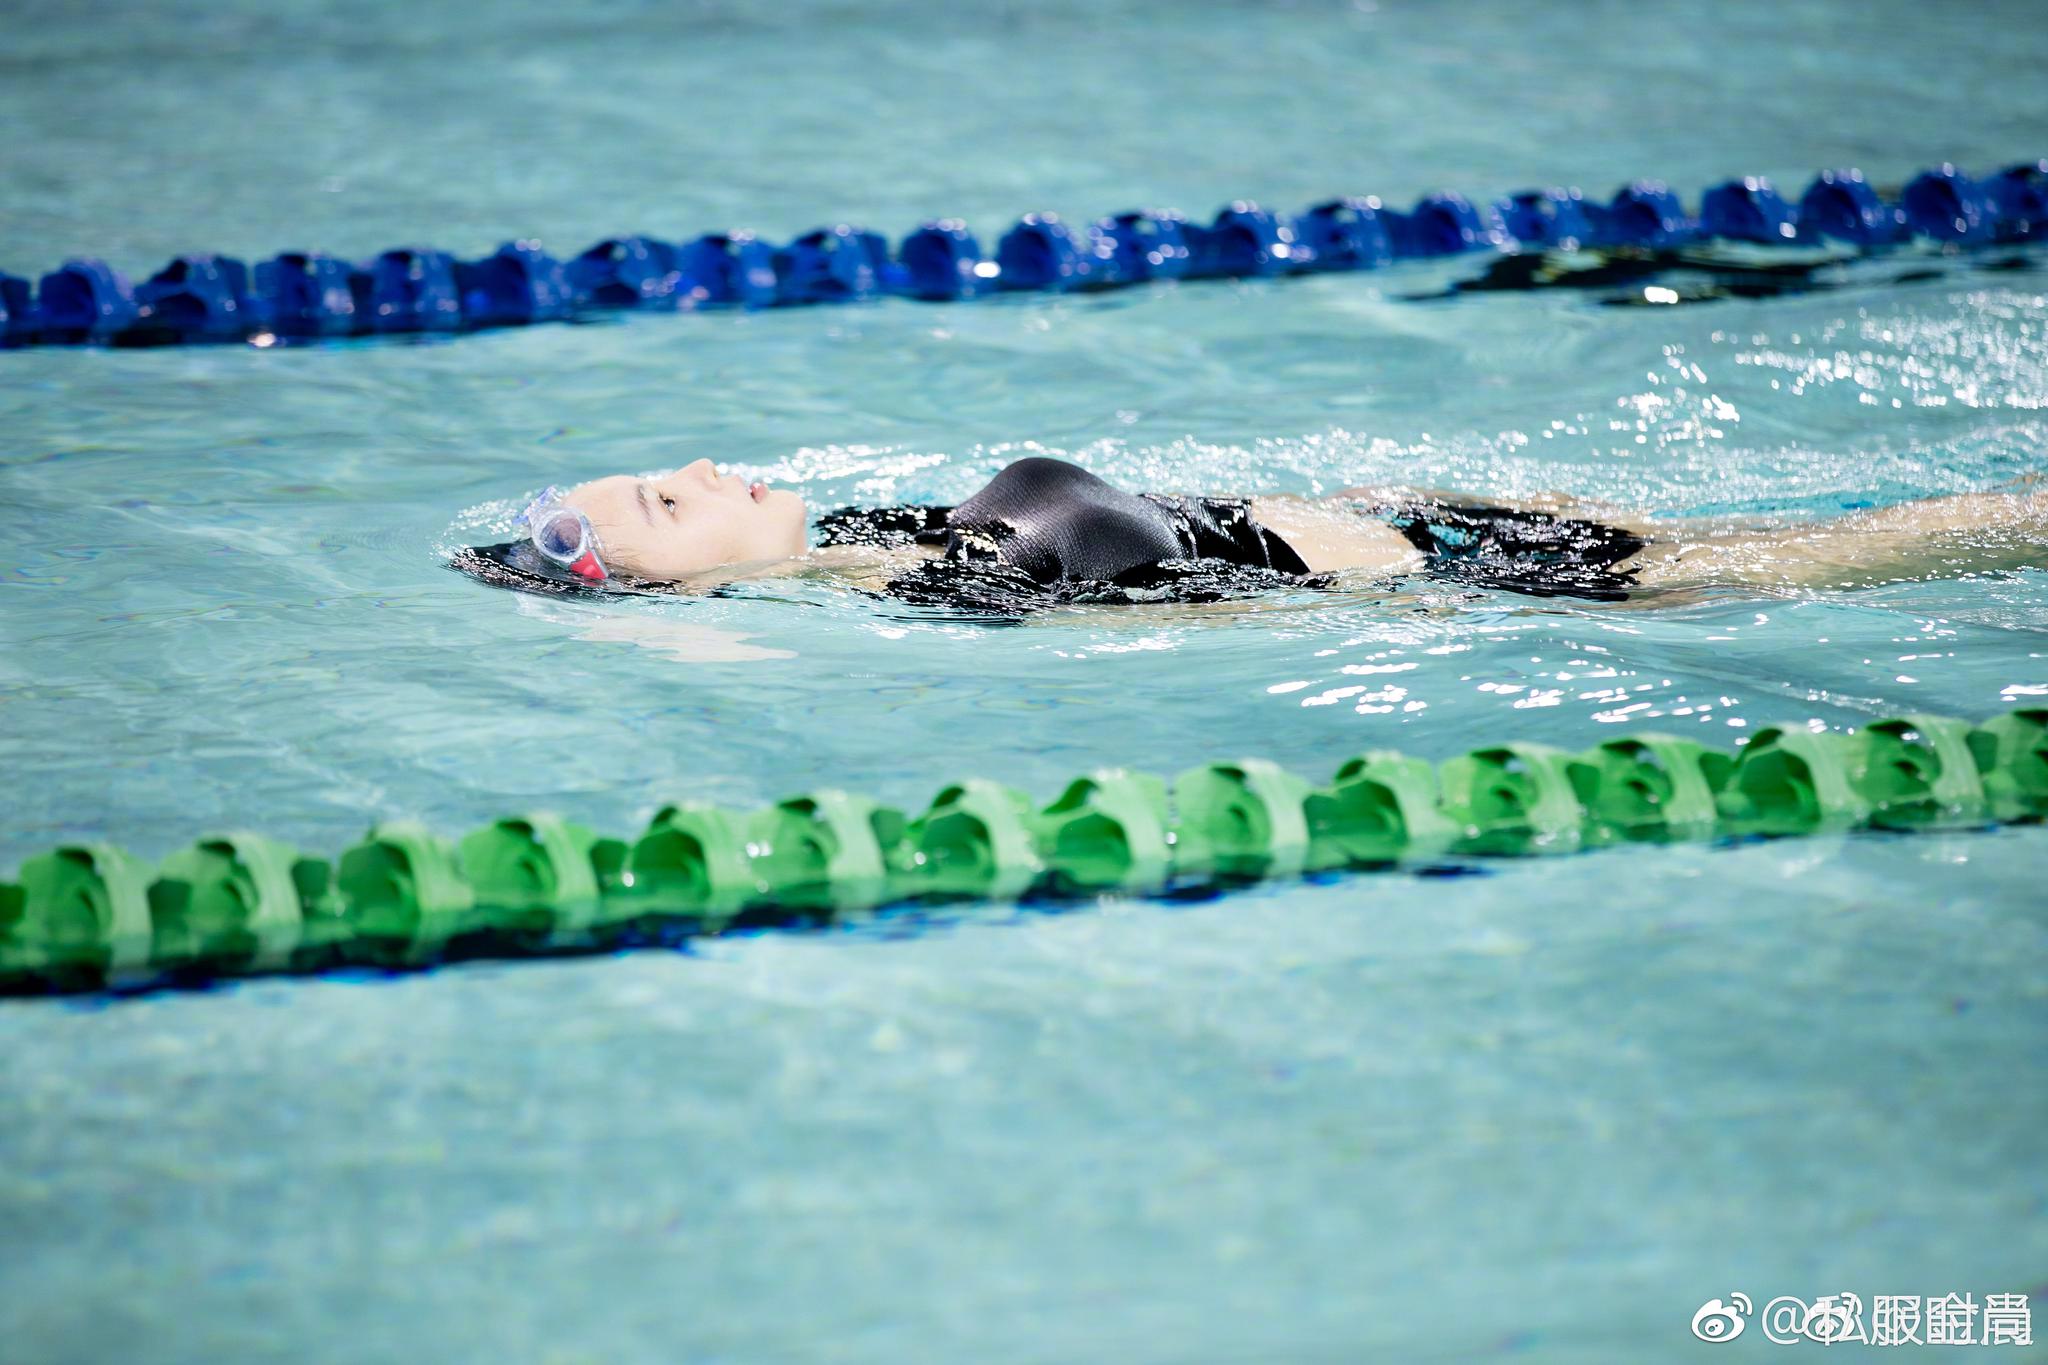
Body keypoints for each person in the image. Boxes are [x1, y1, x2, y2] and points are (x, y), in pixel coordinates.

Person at [453, 454, 2048, 614]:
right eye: (672, 505)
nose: (704, 468)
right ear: (687, 597)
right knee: (1935, 537)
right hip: (1487, 577)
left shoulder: (883, 532)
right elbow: (1200, 611)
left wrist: (1369, 494)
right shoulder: (946, 601)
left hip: (1418, 519)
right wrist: (1404, 580)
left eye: (668, 469)